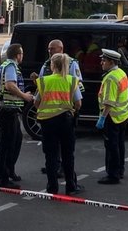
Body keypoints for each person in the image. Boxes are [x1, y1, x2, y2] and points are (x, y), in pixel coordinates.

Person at [30, 39, 84, 178]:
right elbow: (42, 86)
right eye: (48, 49)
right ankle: (55, 167)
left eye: (52, 49)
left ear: (61, 49)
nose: (49, 51)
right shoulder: (46, 64)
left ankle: (61, 170)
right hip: (50, 114)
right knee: (51, 147)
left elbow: (77, 85)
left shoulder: (71, 63)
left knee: (64, 147)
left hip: (65, 111)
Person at [0, 43, 34, 188]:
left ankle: (9, 171)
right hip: (6, 110)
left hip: (9, 110)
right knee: (7, 145)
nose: (22, 56)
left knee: (16, 141)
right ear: (18, 55)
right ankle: (2, 178)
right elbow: (10, 85)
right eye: (21, 53)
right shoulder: (11, 66)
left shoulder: (7, 65)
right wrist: (24, 96)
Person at [95, 49, 128, 185]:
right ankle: (120, 169)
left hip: (112, 117)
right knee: (119, 144)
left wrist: (102, 118)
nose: (101, 62)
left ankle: (113, 175)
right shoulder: (121, 73)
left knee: (111, 146)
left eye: (104, 60)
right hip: (122, 115)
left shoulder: (110, 78)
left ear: (111, 62)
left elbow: (108, 102)